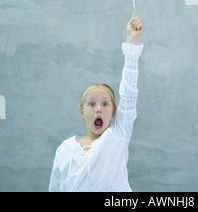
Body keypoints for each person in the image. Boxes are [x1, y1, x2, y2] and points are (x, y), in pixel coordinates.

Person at [49, 15, 144, 192]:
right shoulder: (66, 149)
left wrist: (132, 41)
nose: (99, 109)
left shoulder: (117, 136)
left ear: (115, 111)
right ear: (81, 111)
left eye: (105, 104)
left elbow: (129, 95)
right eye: (92, 104)